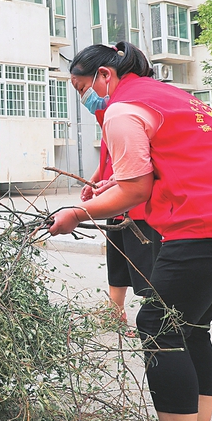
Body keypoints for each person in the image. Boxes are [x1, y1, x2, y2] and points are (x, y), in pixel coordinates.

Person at [48, 41, 212, 421]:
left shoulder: (121, 109)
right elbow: (162, 172)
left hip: (210, 228)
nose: (83, 97)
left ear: (104, 76)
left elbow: (135, 189)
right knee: (190, 327)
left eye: (80, 87)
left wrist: (78, 212)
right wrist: (109, 190)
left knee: (157, 324)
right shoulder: (173, 96)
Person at [80, 97, 162, 334]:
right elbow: (107, 158)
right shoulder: (107, 118)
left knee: (145, 265)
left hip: (137, 206)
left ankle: (155, 319)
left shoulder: (127, 115)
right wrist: (93, 181)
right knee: (116, 263)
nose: (85, 96)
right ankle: (115, 313)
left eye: (84, 87)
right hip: (113, 202)